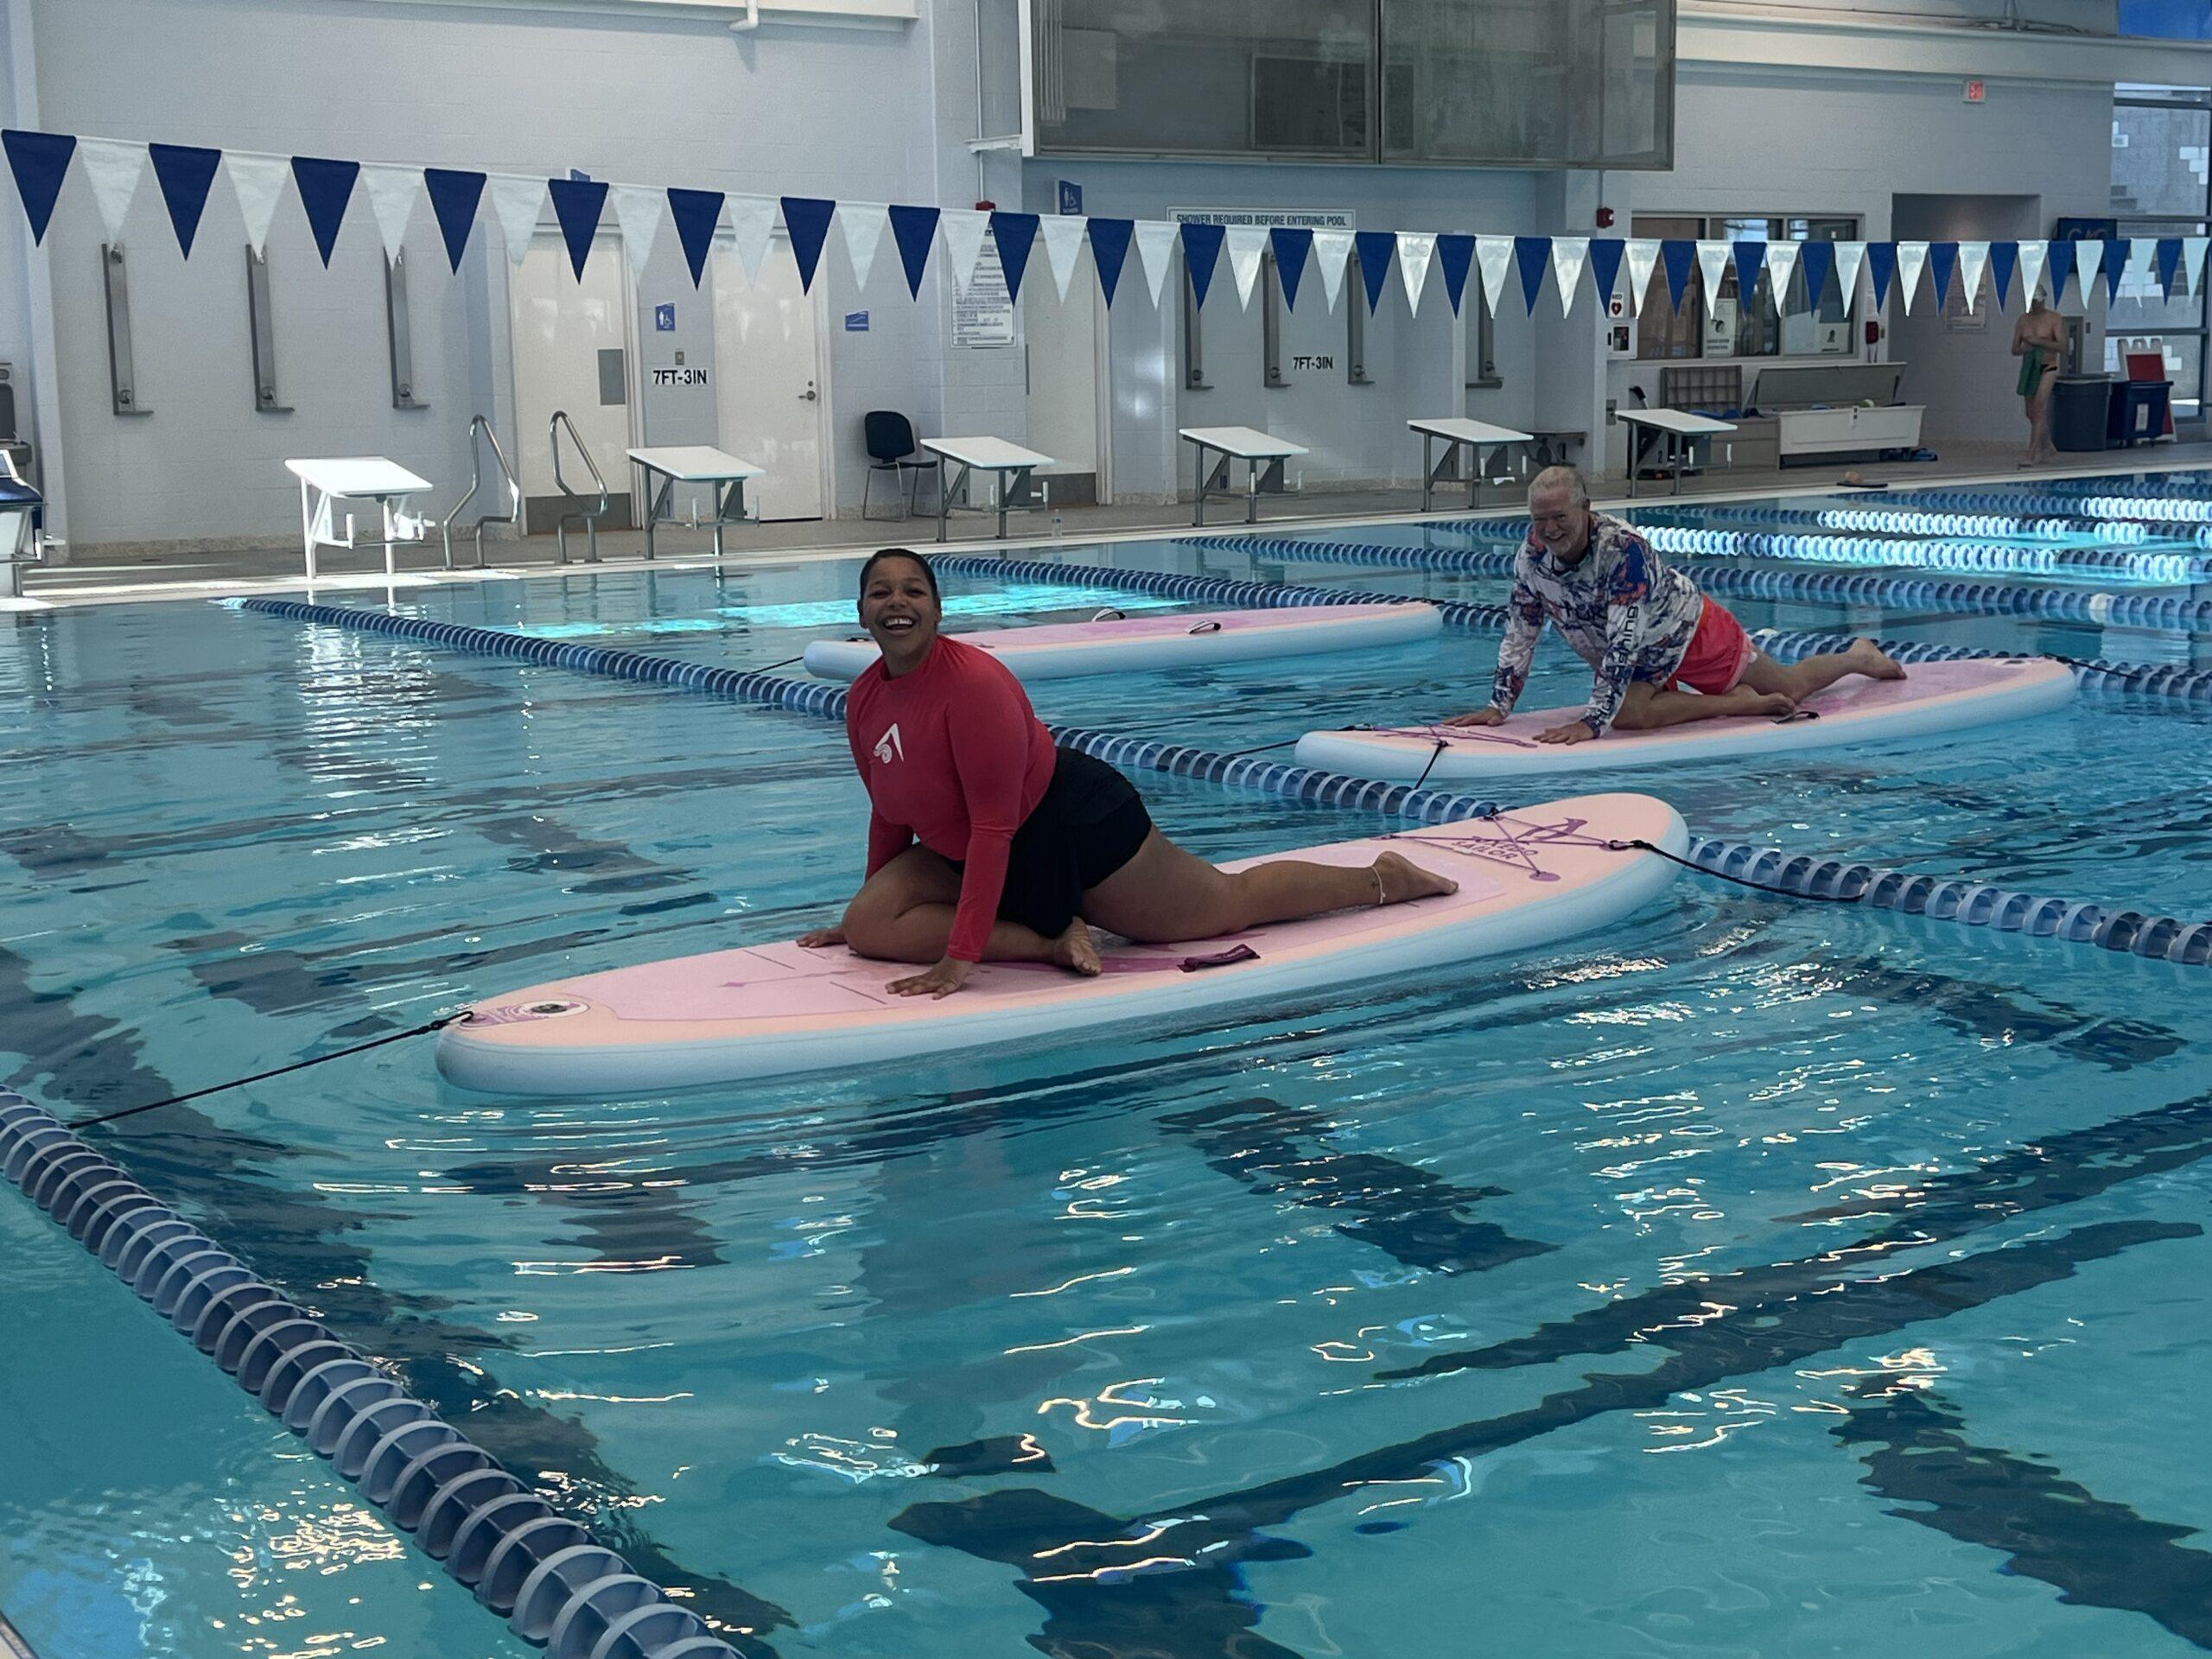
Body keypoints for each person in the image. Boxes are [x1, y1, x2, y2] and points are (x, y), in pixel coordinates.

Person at [798, 549, 1458, 999]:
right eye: (880, 592)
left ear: (938, 612)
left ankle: (1382, 879)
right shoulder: (865, 697)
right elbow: (891, 811)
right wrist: (861, 903)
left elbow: (997, 827)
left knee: (1224, 907)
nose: (897, 603)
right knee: (869, 927)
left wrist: (960, 958)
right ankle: (1050, 939)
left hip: (1069, 823)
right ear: (860, 613)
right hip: (968, 847)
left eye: (914, 591)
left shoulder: (973, 687)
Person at [1445, 467, 1904, 745]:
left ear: (1586, 508)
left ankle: (1855, 657)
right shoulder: (1531, 558)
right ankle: (1735, 704)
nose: (1550, 530)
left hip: (1688, 632)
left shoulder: (1624, 550)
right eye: (1540, 520)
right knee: (1627, 716)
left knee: (1789, 686)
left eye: (1559, 517)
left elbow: (1623, 641)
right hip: (1638, 656)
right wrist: (1499, 705)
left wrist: (1591, 722)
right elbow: (1521, 631)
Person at [2012, 289, 2068, 467]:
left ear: (2043, 300)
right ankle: (2048, 446)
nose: (2036, 304)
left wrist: (2038, 341)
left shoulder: (2054, 319)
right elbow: (2014, 349)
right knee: (2031, 413)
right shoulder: (2023, 320)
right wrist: (2026, 347)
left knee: (2038, 408)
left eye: (2038, 301)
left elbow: (2062, 346)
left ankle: (2031, 454)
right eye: (2033, 301)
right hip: (2030, 368)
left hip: (2048, 367)